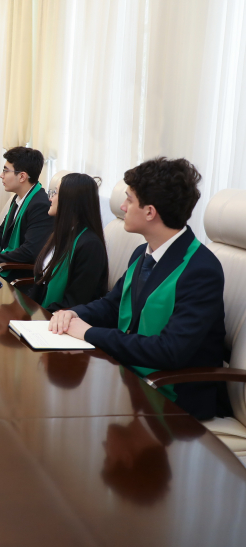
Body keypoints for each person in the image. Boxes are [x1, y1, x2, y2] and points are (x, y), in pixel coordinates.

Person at [49, 157, 228, 421]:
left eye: (129, 200)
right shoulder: (143, 253)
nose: (122, 206)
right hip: (131, 378)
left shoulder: (201, 270)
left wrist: (89, 333)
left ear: (150, 212)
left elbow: (170, 350)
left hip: (173, 401)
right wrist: (73, 314)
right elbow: (113, 305)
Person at [28, 173, 108, 311]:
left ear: (70, 200)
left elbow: (75, 302)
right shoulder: (62, 234)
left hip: (60, 318)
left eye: (55, 193)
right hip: (40, 312)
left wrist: (38, 316)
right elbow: (41, 284)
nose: (50, 198)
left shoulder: (90, 246)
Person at [0, 147, 54, 280]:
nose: (1, 175)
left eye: (5, 171)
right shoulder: (19, 197)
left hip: (20, 278)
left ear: (22, 176)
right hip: (6, 267)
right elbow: (2, 232)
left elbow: (30, 251)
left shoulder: (40, 205)